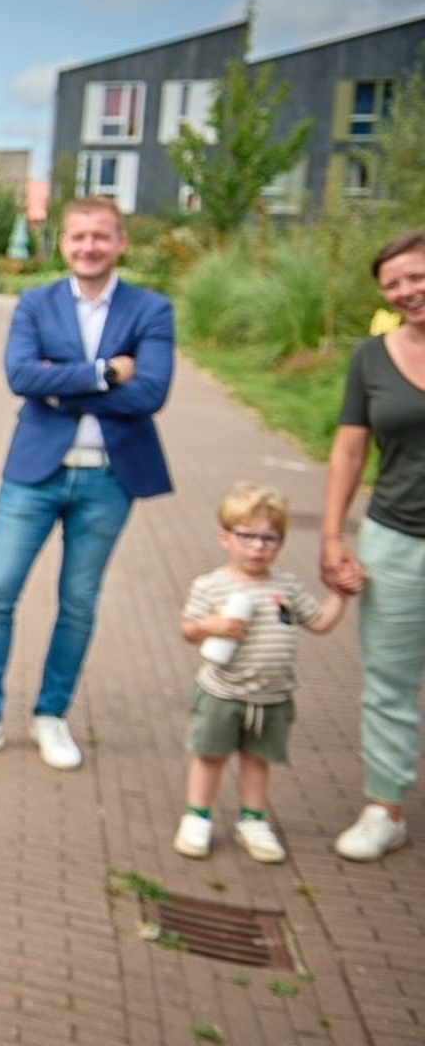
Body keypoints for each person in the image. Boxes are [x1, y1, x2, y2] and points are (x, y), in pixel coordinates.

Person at [0, 196, 176, 771]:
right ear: (63, 244)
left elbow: (153, 393)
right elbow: (19, 375)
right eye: (79, 237)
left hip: (110, 479)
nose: (89, 246)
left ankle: (51, 715)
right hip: (35, 473)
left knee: (79, 602)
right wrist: (105, 372)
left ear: (121, 243)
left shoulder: (151, 309)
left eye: (101, 236)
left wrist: (58, 383)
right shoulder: (36, 304)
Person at [173, 483, 347, 863]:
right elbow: (188, 629)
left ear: (281, 543)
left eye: (269, 539)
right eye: (247, 536)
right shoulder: (212, 585)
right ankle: (197, 815)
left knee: (257, 760)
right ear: (225, 538)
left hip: (272, 697)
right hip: (223, 692)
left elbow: (318, 622)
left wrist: (342, 595)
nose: (258, 547)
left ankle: (253, 820)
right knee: (210, 755)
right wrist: (213, 626)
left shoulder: (285, 586)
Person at [321, 230, 425, 862]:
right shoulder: (372, 358)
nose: (408, 290)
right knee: (388, 681)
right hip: (395, 538)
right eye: (394, 284)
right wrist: (333, 536)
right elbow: (350, 449)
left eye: (416, 275)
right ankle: (385, 807)